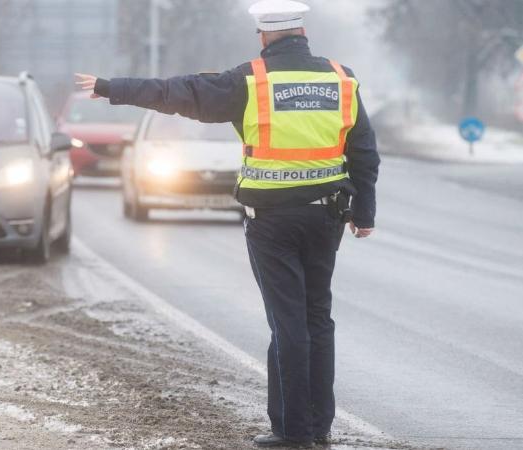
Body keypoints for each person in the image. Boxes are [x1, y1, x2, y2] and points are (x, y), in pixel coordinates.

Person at [75, 0, 379, 447]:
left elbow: (180, 92)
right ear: (302, 31)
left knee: (288, 322)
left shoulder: (251, 80)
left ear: (264, 35)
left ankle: (294, 433)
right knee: (318, 318)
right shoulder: (340, 77)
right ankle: (317, 427)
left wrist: (112, 87)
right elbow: (364, 150)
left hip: (272, 220)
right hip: (326, 215)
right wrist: (364, 213)